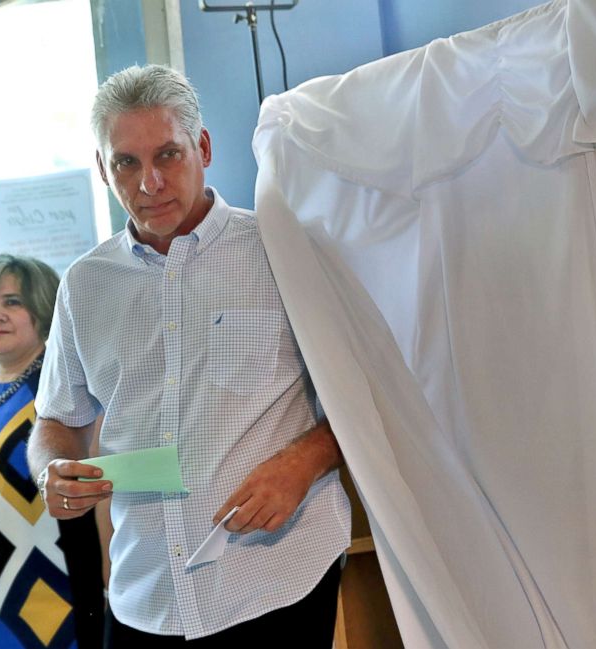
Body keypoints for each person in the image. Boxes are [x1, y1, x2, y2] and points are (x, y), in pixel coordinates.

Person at [27, 64, 351, 647]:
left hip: (276, 579)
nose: (149, 181)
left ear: (202, 146)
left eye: (168, 155)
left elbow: (367, 394)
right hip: (144, 596)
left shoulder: (281, 249)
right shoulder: (84, 285)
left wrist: (304, 463)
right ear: (102, 168)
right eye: (126, 162)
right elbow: (58, 420)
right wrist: (50, 468)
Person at [0, 255, 104, 649]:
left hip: (67, 595)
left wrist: (112, 589)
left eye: (12, 301)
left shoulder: (66, 390)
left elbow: (101, 494)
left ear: (43, 309)